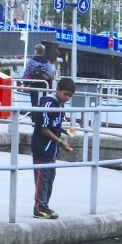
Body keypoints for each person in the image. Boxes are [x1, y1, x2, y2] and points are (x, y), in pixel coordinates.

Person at [31, 76, 75, 219]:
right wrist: (60, 141)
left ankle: (44, 205)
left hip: (51, 150)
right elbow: (44, 128)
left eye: (70, 96)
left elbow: (54, 125)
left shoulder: (60, 104)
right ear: (57, 90)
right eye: (65, 94)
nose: (67, 98)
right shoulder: (48, 104)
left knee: (49, 178)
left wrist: (65, 131)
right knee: (41, 179)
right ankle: (39, 208)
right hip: (42, 148)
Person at [22, 43, 55, 109]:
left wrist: (25, 82)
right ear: (43, 52)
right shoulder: (47, 62)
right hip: (44, 85)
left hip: (34, 85)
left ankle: (34, 116)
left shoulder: (31, 61)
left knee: (34, 103)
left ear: (36, 51)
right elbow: (51, 74)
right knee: (43, 103)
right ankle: (41, 116)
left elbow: (26, 73)